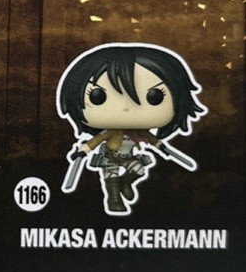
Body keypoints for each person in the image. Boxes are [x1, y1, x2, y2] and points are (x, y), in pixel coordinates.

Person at [57, 42, 205, 214]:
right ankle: (114, 199)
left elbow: (152, 140)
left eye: (154, 96)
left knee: (139, 171)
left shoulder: (139, 132)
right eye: (98, 96)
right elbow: (96, 140)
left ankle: (125, 183)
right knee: (111, 176)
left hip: (128, 157)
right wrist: (83, 151)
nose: (126, 108)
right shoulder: (110, 131)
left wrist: (162, 147)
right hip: (111, 158)